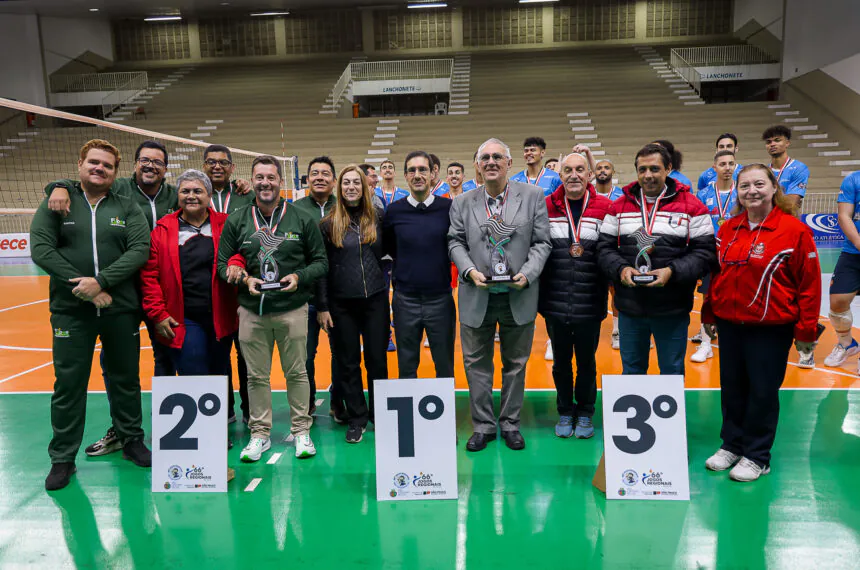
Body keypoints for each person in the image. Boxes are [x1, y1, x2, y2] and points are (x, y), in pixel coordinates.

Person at [30, 139, 152, 491]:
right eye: (93, 163)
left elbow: (139, 249)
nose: (99, 169)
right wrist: (80, 286)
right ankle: (62, 458)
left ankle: (131, 441)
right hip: (71, 311)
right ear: (80, 163)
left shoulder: (127, 206)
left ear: (116, 172)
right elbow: (40, 248)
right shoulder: (57, 201)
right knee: (68, 384)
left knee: (125, 378)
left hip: (119, 308)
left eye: (107, 165)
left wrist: (100, 282)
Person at [44, 140, 178, 458]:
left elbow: (207, 191)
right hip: (121, 292)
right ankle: (114, 434)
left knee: (166, 359)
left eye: (157, 162)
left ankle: (168, 430)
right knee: (105, 371)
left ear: (165, 168)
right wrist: (57, 186)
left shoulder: (175, 194)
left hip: (159, 292)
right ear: (132, 165)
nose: (150, 166)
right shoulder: (118, 188)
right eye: (144, 160)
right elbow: (81, 179)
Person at [701, 164, 821, 482]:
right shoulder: (728, 228)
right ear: (737, 192)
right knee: (732, 388)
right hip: (730, 324)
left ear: (773, 188)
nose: (751, 191)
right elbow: (717, 275)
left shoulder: (794, 231)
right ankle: (732, 444)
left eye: (758, 184)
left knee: (763, 392)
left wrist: (806, 330)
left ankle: (757, 455)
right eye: (744, 186)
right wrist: (709, 312)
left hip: (771, 328)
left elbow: (809, 285)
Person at [217, 155, 328, 462]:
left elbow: (321, 262)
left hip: (292, 307)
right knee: (256, 377)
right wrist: (241, 278)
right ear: (252, 181)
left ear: (281, 181)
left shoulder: (302, 217)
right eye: (260, 177)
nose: (265, 183)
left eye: (271, 177)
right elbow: (222, 263)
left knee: (297, 372)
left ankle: (301, 430)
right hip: (251, 310)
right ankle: (259, 435)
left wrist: (299, 276)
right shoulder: (237, 219)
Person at [448, 138, 551, 452]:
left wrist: (528, 273)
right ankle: (482, 425)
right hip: (476, 293)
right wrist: (469, 271)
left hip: (518, 293)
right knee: (476, 364)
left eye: (498, 157)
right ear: (478, 166)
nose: (491, 162)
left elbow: (542, 243)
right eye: (485, 158)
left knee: (516, 364)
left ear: (509, 163)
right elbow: (455, 242)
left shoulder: (533, 197)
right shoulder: (462, 202)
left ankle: (510, 424)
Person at [597, 143, 715, 376]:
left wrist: (672, 271)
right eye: (642, 170)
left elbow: (705, 253)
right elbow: (604, 248)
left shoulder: (692, 207)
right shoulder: (618, 207)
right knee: (632, 370)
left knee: (671, 370)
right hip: (630, 307)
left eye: (654, 169)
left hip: (672, 308)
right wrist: (621, 269)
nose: (648, 175)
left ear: (668, 168)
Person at [539, 153, 611, 440]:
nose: (573, 175)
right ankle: (565, 411)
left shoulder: (606, 207)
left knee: (586, 362)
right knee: (560, 363)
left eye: (580, 169)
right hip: (555, 300)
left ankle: (585, 412)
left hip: (590, 300)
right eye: (567, 170)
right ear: (559, 175)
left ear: (589, 174)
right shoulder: (545, 207)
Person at [139, 168, 238, 379]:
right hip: (182, 316)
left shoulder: (227, 223)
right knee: (192, 368)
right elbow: (149, 277)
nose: (191, 196)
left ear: (209, 196)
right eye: (185, 191)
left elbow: (240, 253)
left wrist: (237, 262)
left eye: (197, 191)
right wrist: (158, 314)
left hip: (221, 314)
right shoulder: (162, 230)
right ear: (178, 195)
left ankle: (223, 413)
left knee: (219, 369)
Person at [316, 166, 389, 443]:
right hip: (341, 304)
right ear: (339, 187)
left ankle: (380, 415)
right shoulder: (327, 224)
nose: (351, 187)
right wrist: (323, 306)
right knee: (348, 363)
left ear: (364, 186)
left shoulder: (378, 217)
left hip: (376, 301)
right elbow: (322, 268)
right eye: (346, 182)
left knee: (377, 360)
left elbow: (386, 252)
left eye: (355, 182)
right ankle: (357, 418)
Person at [383, 151, 456, 379]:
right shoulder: (394, 211)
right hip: (405, 300)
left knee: (444, 363)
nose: (417, 175)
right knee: (406, 364)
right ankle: (409, 416)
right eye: (412, 170)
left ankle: (443, 415)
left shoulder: (448, 209)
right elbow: (390, 248)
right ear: (405, 175)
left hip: (440, 300)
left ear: (433, 173)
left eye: (422, 169)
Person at [201, 144, 254, 425]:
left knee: (246, 354)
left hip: (244, 287)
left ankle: (249, 410)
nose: (217, 166)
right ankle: (224, 410)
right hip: (211, 290)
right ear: (204, 166)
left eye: (223, 162)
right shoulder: (193, 194)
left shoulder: (246, 195)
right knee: (218, 354)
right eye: (211, 162)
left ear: (233, 168)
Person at [293, 157, 338, 418]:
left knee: (340, 353)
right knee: (305, 356)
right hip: (304, 297)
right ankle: (307, 402)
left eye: (325, 173)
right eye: (314, 173)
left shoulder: (343, 207)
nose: (319, 177)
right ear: (307, 179)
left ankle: (337, 400)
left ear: (333, 180)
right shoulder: (295, 209)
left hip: (339, 296)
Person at [689, 150, 739, 363]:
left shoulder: (743, 191)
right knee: (708, 298)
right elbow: (696, 224)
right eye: (722, 164)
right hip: (711, 254)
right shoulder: (703, 194)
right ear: (714, 167)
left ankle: (736, 342)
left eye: (731, 163)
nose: (727, 167)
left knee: (736, 297)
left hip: (737, 254)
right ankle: (706, 344)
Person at [823, 171, 860, 372]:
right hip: (853, 252)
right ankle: (847, 344)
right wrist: (858, 243)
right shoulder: (853, 180)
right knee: (837, 302)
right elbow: (844, 215)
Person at [763, 125, 810, 212]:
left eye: (777, 140)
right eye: (768, 142)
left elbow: (791, 203)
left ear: (787, 143)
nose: (772, 144)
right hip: (765, 220)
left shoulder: (799, 168)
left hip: (786, 219)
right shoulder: (764, 171)